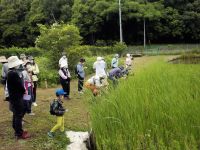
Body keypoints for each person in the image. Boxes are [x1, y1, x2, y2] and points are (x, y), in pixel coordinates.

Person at [7, 56, 30, 139]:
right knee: (18, 115)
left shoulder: (10, 72)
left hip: (14, 97)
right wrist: (24, 90)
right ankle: (19, 133)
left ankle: (16, 129)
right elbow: (19, 85)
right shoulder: (13, 73)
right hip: (17, 97)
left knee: (16, 114)